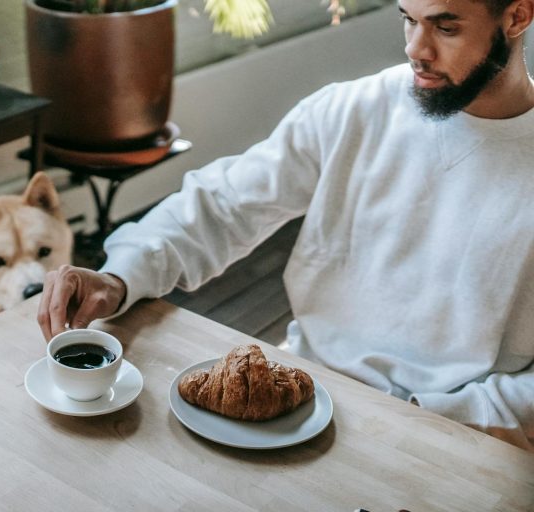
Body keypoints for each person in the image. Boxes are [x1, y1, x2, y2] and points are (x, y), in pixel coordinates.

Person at [37, 0, 534, 451]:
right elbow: (223, 205)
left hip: (458, 435)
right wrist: (119, 276)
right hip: (305, 402)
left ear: (516, 17)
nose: (415, 49)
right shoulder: (352, 110)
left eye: (445, 28)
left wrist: (438, 418)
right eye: (408, 18)